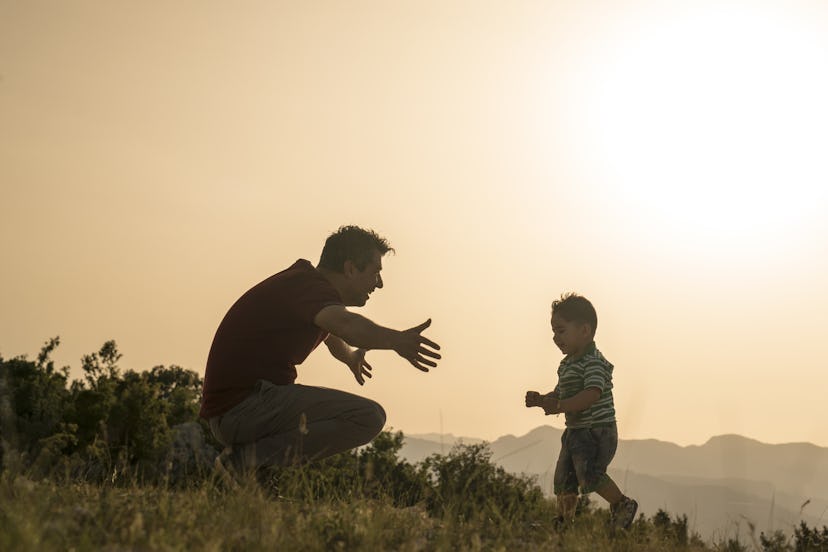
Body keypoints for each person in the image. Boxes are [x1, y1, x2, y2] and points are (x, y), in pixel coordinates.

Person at [200, 225, 441, 478]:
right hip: (242, 409)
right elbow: (346, 324)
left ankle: (255, 475)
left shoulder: (307, 289)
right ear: (349, 269)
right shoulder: (308, 288)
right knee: (368, 417)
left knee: (361, 415)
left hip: (238, 409)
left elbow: (332, 334)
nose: (379, 284)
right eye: (375, 272)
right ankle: (241, 464)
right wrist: (397, 340)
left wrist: (350, 357)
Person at [525, 293, 638, 529]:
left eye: (561, 330)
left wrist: (560, 406)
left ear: (584, 331)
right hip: (575, 431)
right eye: (554, 331)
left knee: (589, 473)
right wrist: (542, 400)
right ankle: (564, 522)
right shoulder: (567, 365)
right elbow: (561, 394)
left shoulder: (594, 361)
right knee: (564, 478)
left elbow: (591, 394)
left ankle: (622, 504)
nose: (555, 337)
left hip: (597, 432)